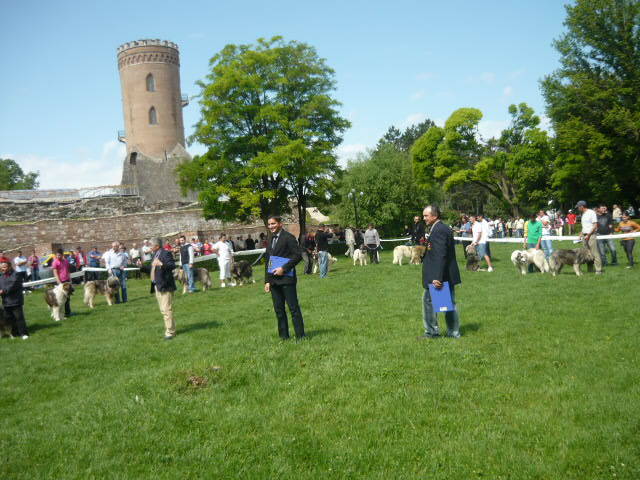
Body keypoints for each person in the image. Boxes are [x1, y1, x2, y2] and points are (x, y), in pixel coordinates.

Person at [418, 205, 461, 339]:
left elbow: (440, 255)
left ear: (434, 216)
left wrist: (437, 278)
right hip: (443, 274)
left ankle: (431, 332)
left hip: (439, 275)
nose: (423, 218)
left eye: (426, 215)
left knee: (429, 302)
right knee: (447, 303)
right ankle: (453, 333)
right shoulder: (440, 228)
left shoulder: (439, 230)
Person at [264, 215, 305, 340]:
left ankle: (300, 336)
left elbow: (298, 256)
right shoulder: (270, 239)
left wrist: (284, 268)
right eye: (269, 224)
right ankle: (284, 337)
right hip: (274, 282)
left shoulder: (288, 237)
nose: (271, 226)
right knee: (279, 310)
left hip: (287, 279)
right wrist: (267, 281)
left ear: (280, 224)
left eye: (273, 223)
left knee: (293, 308)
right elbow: (268, 261)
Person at [149, 238, 177, 340]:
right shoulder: (155, 255)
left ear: (157, 246)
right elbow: (153, 269)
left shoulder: (165, 253)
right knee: (163, 310)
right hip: (158, 285)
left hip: (166, 285)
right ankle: (171, 329)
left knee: (166, 309)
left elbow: (172, 265)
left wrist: (161, 264)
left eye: (150, 245)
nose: (149, 247)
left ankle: (170, 332)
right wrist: (141, 268)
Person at [0, 259, 29, 339]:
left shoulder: (16, 275)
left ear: (9, 267)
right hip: (6, 301)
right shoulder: (1, 277)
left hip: (15, 301)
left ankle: (24, 334)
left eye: (4, 267)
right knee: (9, 318)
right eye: (1, 267)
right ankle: (14, 333)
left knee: (19, 318)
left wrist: (3, 291)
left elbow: (13, 285)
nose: (2, 269)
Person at [576, 200, 602, 274]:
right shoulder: (583, 214)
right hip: (585, 236)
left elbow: (595, 225)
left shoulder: (591, 212)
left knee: (594, 253)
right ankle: (590, 270)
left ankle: (598, 270)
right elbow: (584, 227)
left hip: (591, 235)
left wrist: (589, 235)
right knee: (587, 254)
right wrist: (581, 234)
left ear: (582, 206)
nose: (578, 208)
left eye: (578, 207)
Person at [51, 248, 72, 317]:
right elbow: (55, 273)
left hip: (67, 281)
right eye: (57, 255)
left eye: (59, 255)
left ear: (62, 255)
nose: (58, 256)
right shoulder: (55, 262)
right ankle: (58, 313)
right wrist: (59, 282)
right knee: (60, 299)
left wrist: (70, 279)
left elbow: (68, 271)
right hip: (61, 282)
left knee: (67, 298)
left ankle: (67, 312)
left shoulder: (66, 261)